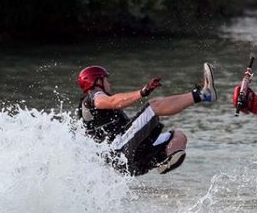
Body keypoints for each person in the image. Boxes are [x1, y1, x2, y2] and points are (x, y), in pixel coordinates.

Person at [76, 63, 216, 176]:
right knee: (153, 106)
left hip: (131, 163)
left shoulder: (95, 106)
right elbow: (113, 101)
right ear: (98, 81)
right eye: (106, 80)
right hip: (118, 152)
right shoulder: (93, 96)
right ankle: (203, 94)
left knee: (179, 137)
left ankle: (161, 162)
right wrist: (142, 92)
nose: (109, 84)